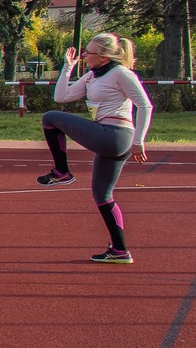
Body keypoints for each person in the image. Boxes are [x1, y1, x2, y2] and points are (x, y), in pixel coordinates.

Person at [38, 33, 154, 264]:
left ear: (103, 57)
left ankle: (62, 172)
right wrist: (67, 67)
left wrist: (139, 141)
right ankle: (120, 251)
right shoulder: (92, 75)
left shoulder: (121, 73)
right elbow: (61, 96)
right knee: (102, 195)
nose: (84, 55)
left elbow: (145, 105)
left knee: (50, 118)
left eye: (88, 52)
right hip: (107, 137)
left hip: (116, 136)